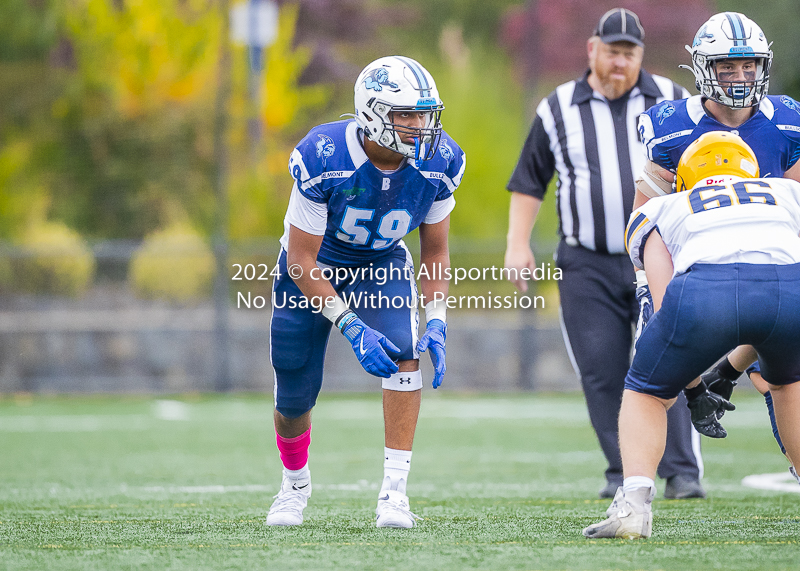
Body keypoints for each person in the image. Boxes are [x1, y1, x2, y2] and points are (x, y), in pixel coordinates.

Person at [504, 7, 704, 500]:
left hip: (658, 254)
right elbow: (530, 179)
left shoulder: (675, 101)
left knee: (669, 358)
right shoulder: (558, 107)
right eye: (612, 52)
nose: (620, 63)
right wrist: (516, 243)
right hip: (585, 261)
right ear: (592, 49)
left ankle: (682, 473)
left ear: (642, 55)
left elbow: (707, 165)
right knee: (600, 367)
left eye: (629, 53)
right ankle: (622, 471)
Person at [267, 56, 465, 528]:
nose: (419, 126)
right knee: (293, 391)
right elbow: (300, 261)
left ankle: (394, 494)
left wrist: (436, 318)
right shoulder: (325, 155)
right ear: (372, 112)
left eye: (424, 114)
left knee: (403, 352)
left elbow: (435, 253)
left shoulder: (439, 162)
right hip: (313, 267)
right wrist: (351, 325)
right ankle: (294, 485)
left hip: (380, 263)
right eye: (406, 115)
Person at [583, 131, 800, 539]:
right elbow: (765, 299)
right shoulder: (787, 192)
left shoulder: (662, 207)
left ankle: (633, 507)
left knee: (646, 391)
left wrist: (694, 387)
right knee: (788, 384)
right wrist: (732, 369)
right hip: (792, 289)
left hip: (705, 292)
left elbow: (664, 307)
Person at [634, 12, 800, 474]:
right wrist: (645, 282)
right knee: (653, 377)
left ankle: (785, 451)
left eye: (749, 65)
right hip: (700, 267)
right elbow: (646, 217)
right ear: (704, 68)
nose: (741, 76)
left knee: (775, 377)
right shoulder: (668, 126)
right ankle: (647, 481)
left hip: (769, 261)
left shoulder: (787, 122)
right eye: (728, 66)